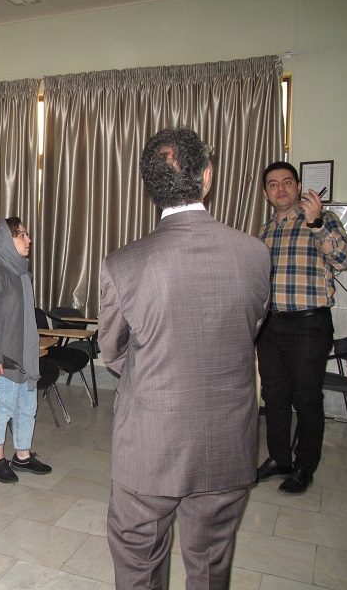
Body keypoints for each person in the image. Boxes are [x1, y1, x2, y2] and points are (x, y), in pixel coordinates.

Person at [98, 129, 270, 589]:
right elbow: (249, 330)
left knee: (138, 565)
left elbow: (112, 351)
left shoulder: (123, 263)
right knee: (211, 566)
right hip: (226, 440)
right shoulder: (254, 254)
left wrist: (155, 370)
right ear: (207, 177)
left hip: (149, 442)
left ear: (150, 187)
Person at [255, 161, 347, 494]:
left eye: (287, 182)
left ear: (299, 187)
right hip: (271, 326)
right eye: (273, 184)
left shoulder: (323, 219)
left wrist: (315, 224)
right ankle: (279, 458)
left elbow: (345, 259)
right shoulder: (264, 231)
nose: (280, 189)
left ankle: (304, 466)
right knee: (274, 396)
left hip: (309, 325)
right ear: (266, 193)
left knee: (307, 398)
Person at [0, 217, 51, 483]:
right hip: (4, 359)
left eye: (26, 234)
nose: (28, 239)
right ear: (5, 241)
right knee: (4, 408)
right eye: (21, 235)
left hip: (24, 357)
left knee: (27, 407)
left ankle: (22, 455)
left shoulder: (21, 272)